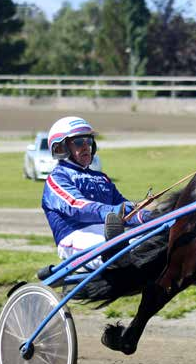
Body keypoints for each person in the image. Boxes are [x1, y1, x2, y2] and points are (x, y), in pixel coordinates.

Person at [42, 116, 152, 270]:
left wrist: (146, 216)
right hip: (75, 236)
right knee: (120, 250)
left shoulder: (101, 178)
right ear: (61, 147)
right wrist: (113, 212)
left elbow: (123, 206)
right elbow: (77, 206)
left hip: (109, 233)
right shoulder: (57, 178)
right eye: (79, 142)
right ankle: (115, 255)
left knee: (153, 241)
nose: (86, 146)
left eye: (89, 141)